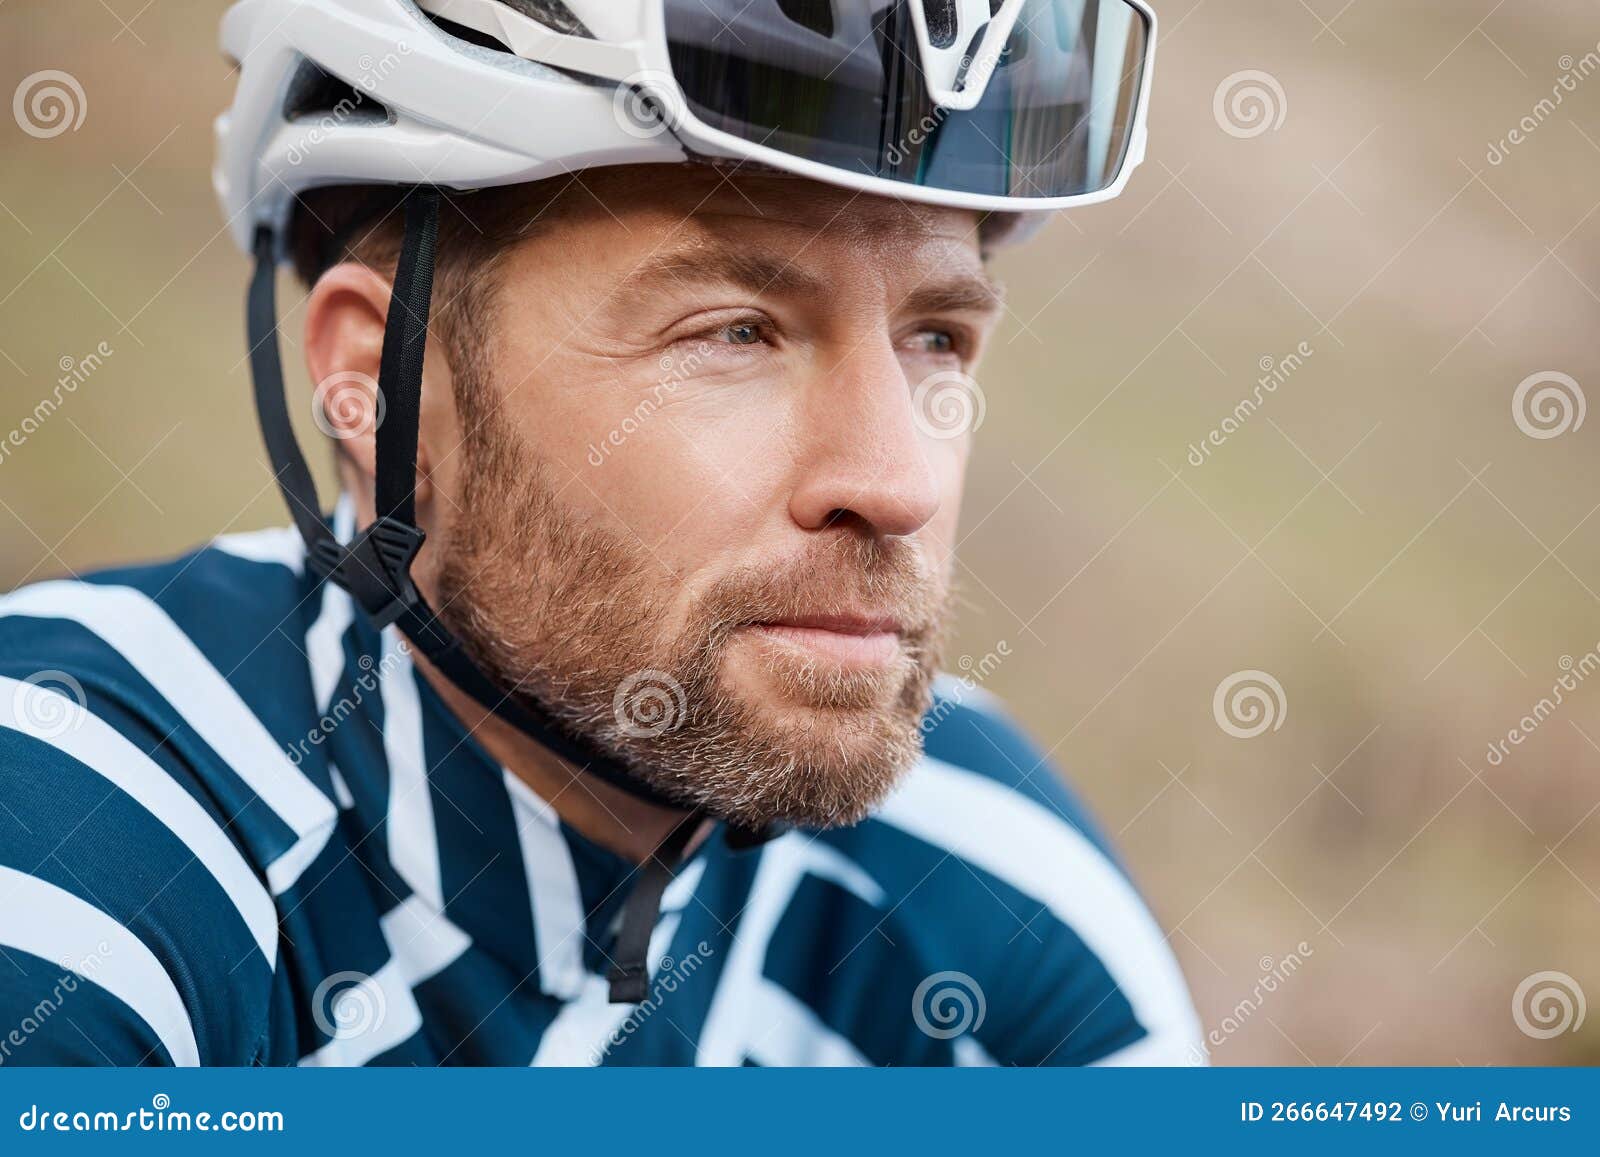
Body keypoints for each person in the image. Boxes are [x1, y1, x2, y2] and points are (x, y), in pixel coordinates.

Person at [0, 0, 1201, 1065]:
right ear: (381, 386)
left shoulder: (994, 888)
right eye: (735, 331)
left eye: (935, 337)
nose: (898, 484)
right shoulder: (74, 838)